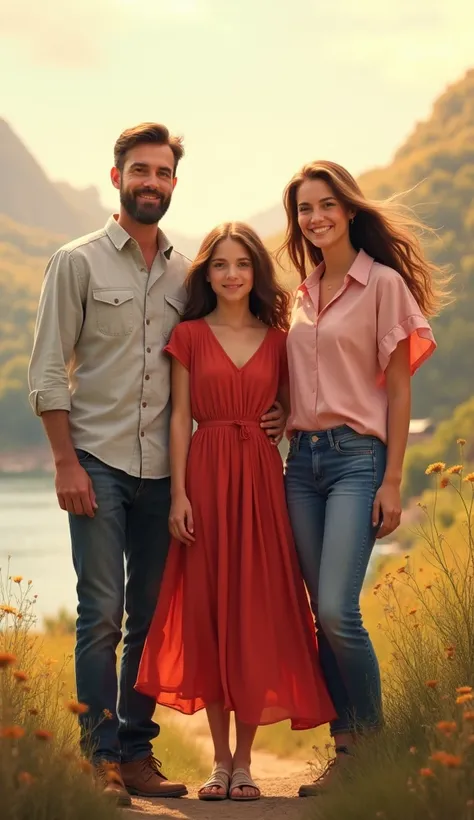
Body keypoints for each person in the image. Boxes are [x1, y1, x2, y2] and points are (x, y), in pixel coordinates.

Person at [27, 122, 286, 806]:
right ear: (117, 178)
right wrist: (64, 463)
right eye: (140, 170)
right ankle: (98, 758)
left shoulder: (186, 272)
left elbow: (230, 352)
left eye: (163, 172)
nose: (151, 182)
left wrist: (276, 413)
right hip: (98, 461)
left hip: (168, 472)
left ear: (174, 182)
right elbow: (48, 371)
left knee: (150, 610)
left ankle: (136, 752)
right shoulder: (76, 262)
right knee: (102, 610)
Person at [135, 222, 336, 802]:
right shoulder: (190, 335)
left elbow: (298, 408)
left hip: (260, 485)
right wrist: (178, 494)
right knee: (212, 614)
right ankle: (219, 762)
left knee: (252, 613)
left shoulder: (278, 340)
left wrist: (280, 417)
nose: (230, 274)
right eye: (220, 264)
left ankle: (246, 762)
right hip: (205, 474)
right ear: (208, 273)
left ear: (256, 273)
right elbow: (178, 418)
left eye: (241, 264)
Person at [279, 160, 449, 796]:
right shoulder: (298, 294)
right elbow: (294, 378)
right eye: (303, 209)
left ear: (349, 209)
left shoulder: (382, 286)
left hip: (358, 461)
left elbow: (399, 393)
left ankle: (371, 741)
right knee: (318, 615)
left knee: (337, 608)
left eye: (326, 205)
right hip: (301, 465)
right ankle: (344, 748)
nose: (315, 217)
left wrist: (393, 480)